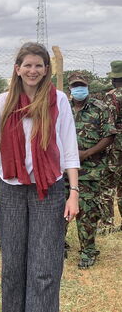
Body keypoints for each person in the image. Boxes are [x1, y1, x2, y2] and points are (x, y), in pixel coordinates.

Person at [0, 42, 79, 312]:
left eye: (38, 65)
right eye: (27, 65)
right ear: (17, 69)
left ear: (46, 70)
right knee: (13, 267)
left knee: (44, 267)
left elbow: (69, 146)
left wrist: (73, 193)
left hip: (49, 187)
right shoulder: (2, 102)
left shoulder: (59, 100)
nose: (33, 70)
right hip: (10, 188)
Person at [68, 71, 116, 268]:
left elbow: (110, 135)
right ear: (70, 89)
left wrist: (86, 154)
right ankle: (58, 247)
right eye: (75, 86)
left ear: (87, 87)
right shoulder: (63, 108)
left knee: (87, 213)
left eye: (82, 85)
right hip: (63, 169)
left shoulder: (100, 108)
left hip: (90, 169)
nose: (79, 89)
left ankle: (88, 252)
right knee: (57, 212)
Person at [101, 61, 122, 232]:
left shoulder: (112, 97)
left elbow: (109, 124)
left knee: (108, 184)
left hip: (115, 145)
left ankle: (107, 223)